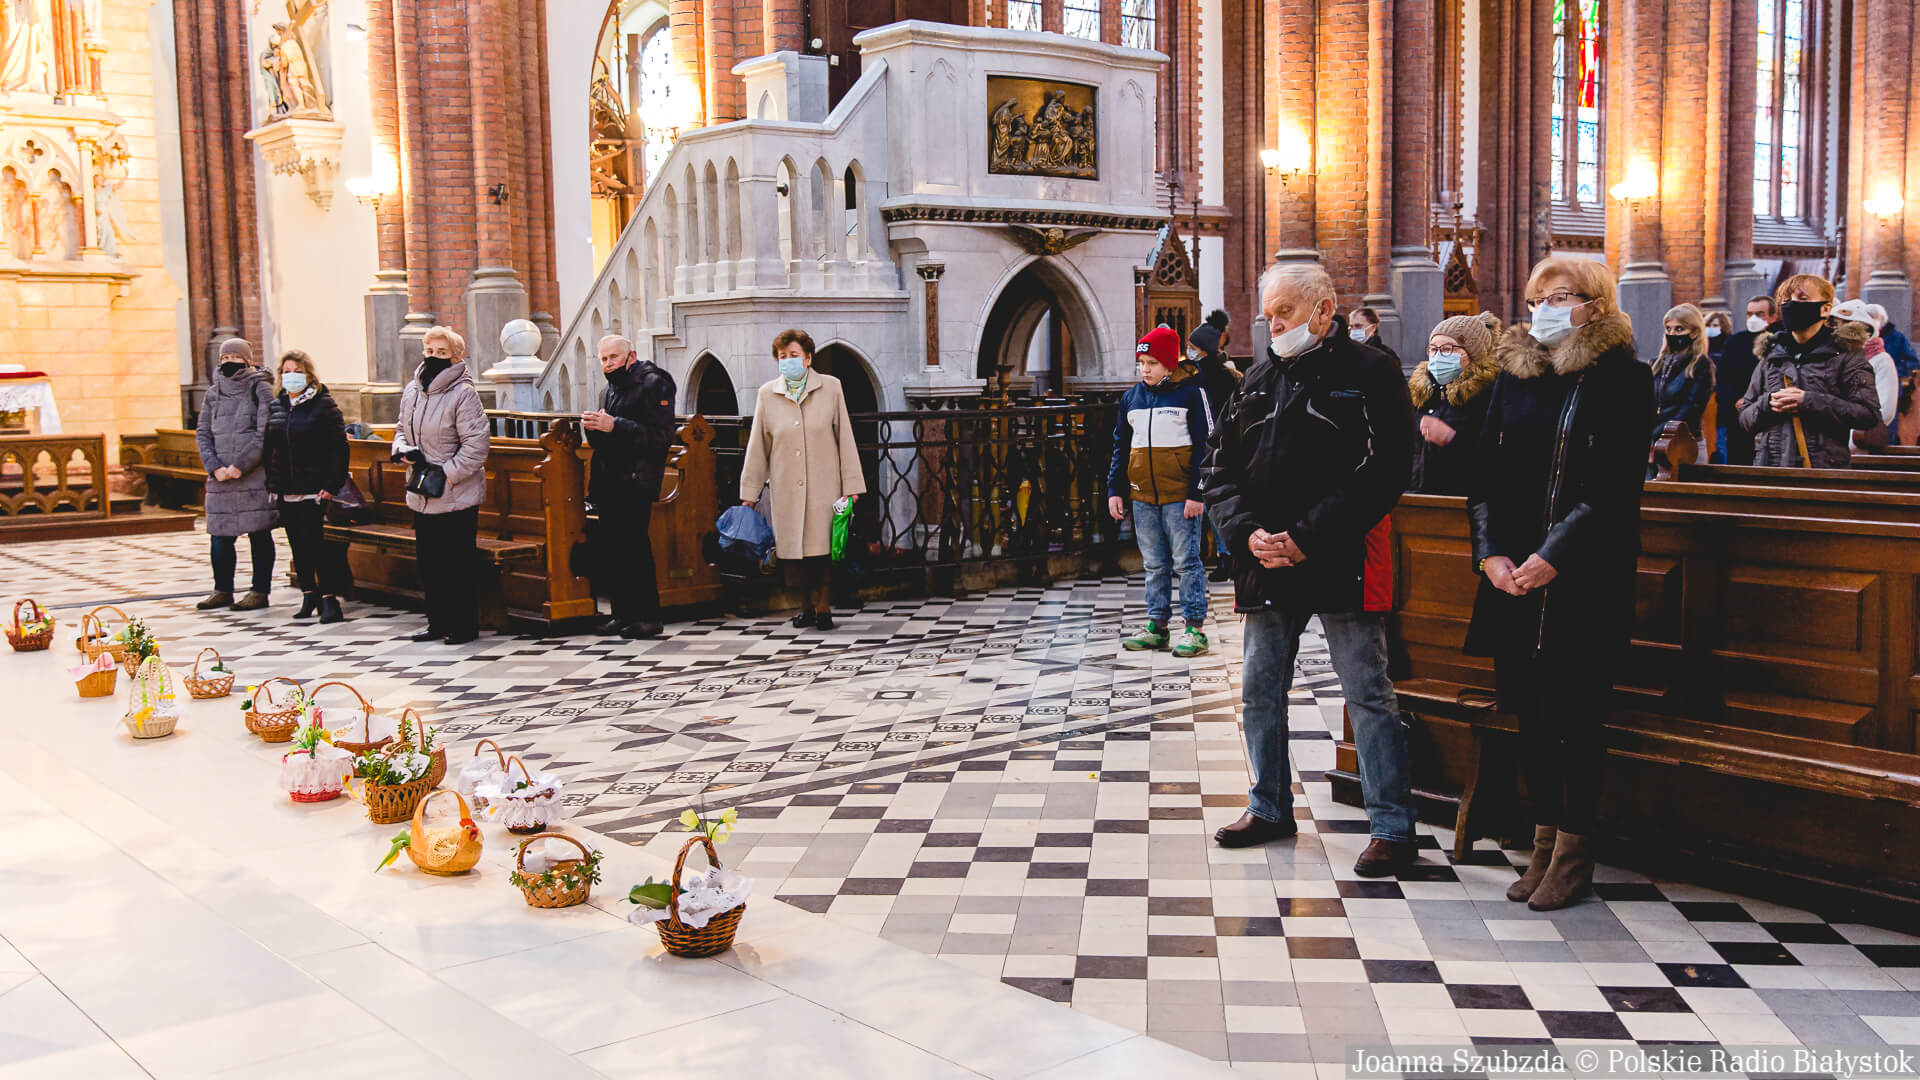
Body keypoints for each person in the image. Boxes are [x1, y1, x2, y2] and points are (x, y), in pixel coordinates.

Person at [1203, 263, 1420, 876]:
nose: (1274, 325)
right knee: (1259, 690)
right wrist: (1247, 534)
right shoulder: (1257, 376)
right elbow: (1219, 468)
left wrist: (1305, 536)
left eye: (1286, 313)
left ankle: (1392, 828)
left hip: (1339, 554)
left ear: (1324, 311)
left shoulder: (1371, 372)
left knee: (1366, 692)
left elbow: (1385, 470)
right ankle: (1269, 806)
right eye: (1268, 314)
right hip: (1267, 560)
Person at [1467, 255, 1651, 911]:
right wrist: (1489, 554)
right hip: (1512, 580)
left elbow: (1616, 487)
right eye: (1537, 294)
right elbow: (1482, 476)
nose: (1544, 304)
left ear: (1594, 305)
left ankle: (1574, 851)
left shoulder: (1624, 379)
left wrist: (1555, 555)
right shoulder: (1513, 378)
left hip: (1583, 581)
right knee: (1531, 718)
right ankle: (1540, 839)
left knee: (1575, 718)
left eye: (1560, 294)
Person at [738, 329, 866, 632]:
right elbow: (758, 446)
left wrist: (852, 487)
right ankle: (804, 607)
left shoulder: (831, 388)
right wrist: (749, 492)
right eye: (782, 357)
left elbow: (845, 437)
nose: (788, 361)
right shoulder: (768, 394)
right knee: (792, 554)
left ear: (808, 358)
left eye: (793, 355)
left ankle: (824, 608)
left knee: (823, 551)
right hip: (786, 488)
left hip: (825, 486)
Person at [1108, 325, 1211, 658]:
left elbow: (1206, 446)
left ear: (1169, 363)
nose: (1145, 369)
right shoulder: (1131, 399)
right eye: (1141, 362)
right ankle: (1158, 625)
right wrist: (1116, 490)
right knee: (1153, 564)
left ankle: (1194, 628)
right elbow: (1121, 447)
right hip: (1143, 497)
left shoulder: (1191, 395)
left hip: (1181, 496)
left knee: (1187, 562)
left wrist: (1198, 492)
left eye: (1152, 362)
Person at [393, 326, 489, 645]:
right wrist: (402, 451)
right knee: (430, 562)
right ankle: (437, 622)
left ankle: (462, 626)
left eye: (442, 353)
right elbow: (400, 430)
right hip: (422, 491)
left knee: (456, 563)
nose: (434, 357)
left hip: (454, 492)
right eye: (430, 351)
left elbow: (476, 445)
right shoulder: (412, 390)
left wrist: (446, 474)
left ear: (457, 357)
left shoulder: (463, 393)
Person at [582, 334, 677, 639]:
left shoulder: (654, 383)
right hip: (610, 479)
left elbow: (661, 437)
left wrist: (615, 425)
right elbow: (607, 438)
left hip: (637, 479)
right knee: (613, 549)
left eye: (614, 357)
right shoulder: (608, 388)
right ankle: (622, 614)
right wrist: (595, 428)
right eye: (604, 359)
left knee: (634, 548)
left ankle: (648, 617)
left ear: (631, 356)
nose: (608, 364)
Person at [1738, 275, 1878, 469]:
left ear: (1826, 309)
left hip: (1823, 469)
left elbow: (1867, 414)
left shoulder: (1846, 355)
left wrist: (1808, 401)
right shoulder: (1772, 355)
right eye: (1786, 301)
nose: (1791, 305)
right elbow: (1745, 417)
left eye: (1802, 299)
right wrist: (1768, 403)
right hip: (1771, 467)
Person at [263, 350, 350, 623]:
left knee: (316, 545)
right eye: (286, 371)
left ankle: (329, 600)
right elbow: (270, 449)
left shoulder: (323, 404)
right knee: (297, 545)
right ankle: (308, 593)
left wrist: (331, 484)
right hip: (286, 488)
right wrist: (272, 482)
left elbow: (339, 448)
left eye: (296, 371)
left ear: (308, 375)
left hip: (315, 487)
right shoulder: (278, 405)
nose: (290, 376)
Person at [195, 338, 278, 611]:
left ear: (247, 359)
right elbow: (203, 433)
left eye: (235, 356)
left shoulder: (261, 388)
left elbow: (265, 432)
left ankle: (259, 590)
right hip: (219, 476)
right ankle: (222, 589)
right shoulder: (212, 393)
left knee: (258, 533)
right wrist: (214, 466)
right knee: (219, 536)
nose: (229, 361)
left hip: (252, 475)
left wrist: (241, 465)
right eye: (225, 357)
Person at [1409, 311, 1501, 495]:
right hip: (1418, 498)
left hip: (1462, 501)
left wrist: (1451, 438)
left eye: (1447, 349)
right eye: (1433, 349)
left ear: (1472, 354)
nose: (1437, 356)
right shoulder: (1421, 393)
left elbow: (1496, 458)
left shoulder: (1489, 394)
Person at [1185, 309, 1239, 583]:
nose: (1189, 352)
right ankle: (1225, 556)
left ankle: (1218, 557)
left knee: (1207, 503)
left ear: (1202, 350)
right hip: (1224, 445)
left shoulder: (1201, 380)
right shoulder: (1227, 375)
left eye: (1192, 348)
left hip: (1210, 444)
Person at [1715, 294, 1775, 465]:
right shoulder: (1735, 341)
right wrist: (1736, 399)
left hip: (1769, 412)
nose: (1754, 318)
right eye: (1750, 314)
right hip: (1738, 414)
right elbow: (1722, 377)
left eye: (1760, 313)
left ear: (1772, 316)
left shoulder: (1779, 340)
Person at [1833, 300, 1897, 450]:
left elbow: (1885, 409)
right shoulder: (1835, 358)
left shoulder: (1881, 361)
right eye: (1835, 325)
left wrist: (1850, 436)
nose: (1836, 331)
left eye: (1841, 325)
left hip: (1856, 442)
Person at [1649, 303, 1714, 447]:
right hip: (1654, 441)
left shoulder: (1701, 365)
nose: (1672, 334)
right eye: (1668, 328)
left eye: (1679, 329)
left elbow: (1690, 409)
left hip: (1684, 442)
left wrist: (1657, 435)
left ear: (1694, 332)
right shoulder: (1657, 363)